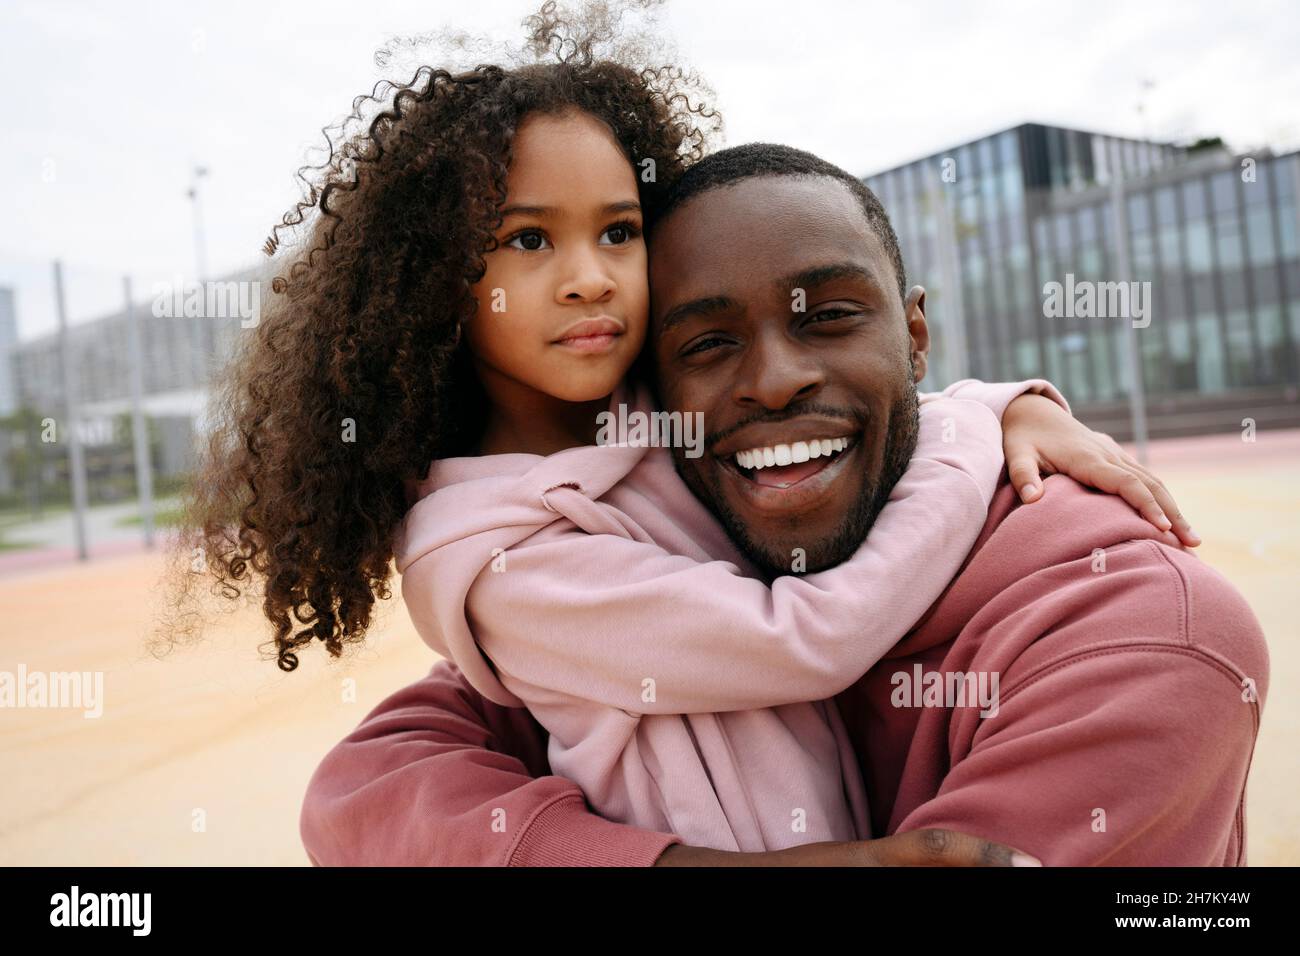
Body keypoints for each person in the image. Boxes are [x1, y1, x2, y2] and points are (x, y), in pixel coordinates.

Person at [299, 142, 1267, 867]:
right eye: (704, 345)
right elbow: (365, 788)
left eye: (833, 314)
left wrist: (986, 410)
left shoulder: (1140, 641)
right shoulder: (655, 556)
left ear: (916, 338)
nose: (771, 381)